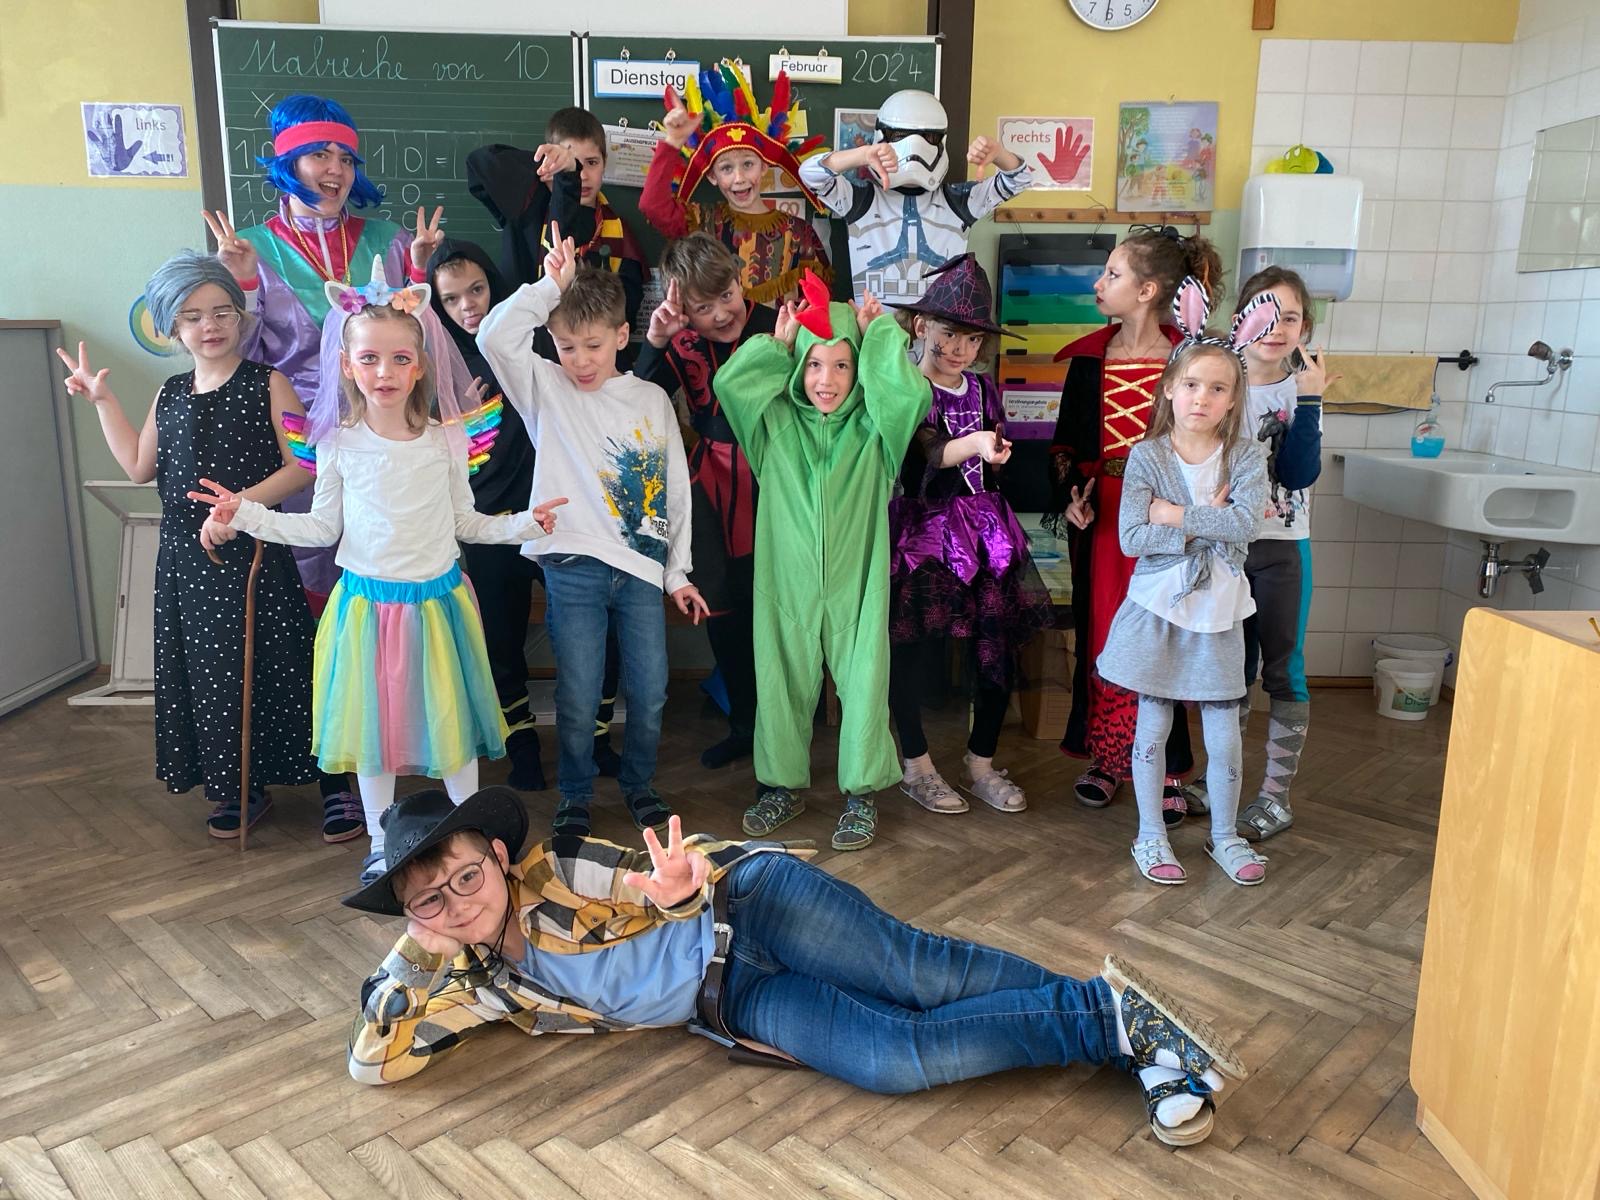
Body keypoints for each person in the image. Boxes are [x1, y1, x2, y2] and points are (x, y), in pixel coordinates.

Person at [343, 786, 1247, 1149]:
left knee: (920, 974)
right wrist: (416, 952)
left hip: (748, 903)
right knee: (893, 1058)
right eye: (432, 901)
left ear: (500, 855)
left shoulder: (559, 869)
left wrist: (673, 889)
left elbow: (651, 883)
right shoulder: (473, 980)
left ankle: (1108, 1024)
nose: (459, 902)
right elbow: (373, 1064)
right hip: (732, 995)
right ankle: (1132, 1031)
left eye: (467, 876)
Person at [189, 263, 566, 883]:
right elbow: (320, 529)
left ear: (420, 365)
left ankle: (467, 830)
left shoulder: (447, 441)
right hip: (365, 610)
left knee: (451, 725)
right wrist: (248, 513)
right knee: (372, 733)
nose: (384, 372)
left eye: (399, 359)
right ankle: (380, 838)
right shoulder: (336, 443)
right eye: (369, 359)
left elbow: (466, 523)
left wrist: (526, 523)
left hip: (438, 607)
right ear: (346, 365)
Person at [202, 92, 444, 826]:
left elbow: (416, 347)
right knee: (310, 603)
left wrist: (423, 273)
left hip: (384, 439)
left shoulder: (391, 241)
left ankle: (382, 758)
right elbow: (231, 356)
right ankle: (332, 766)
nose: (334, 169)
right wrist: (244, 286)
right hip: (296, 447)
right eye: (317, 154)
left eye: (344, 155)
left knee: (382, 599)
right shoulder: (249, 247)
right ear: (287, 163)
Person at [58, 251, 339, 839]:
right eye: (192, 316)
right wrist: (104, 403)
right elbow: (139, 466)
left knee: (285, 665)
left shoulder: (269, 383)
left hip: (255, 553)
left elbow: (304, 465)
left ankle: (335, 784)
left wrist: (240, 509)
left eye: (221, 312)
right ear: (172, 328)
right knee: (212, 675)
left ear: (240, 316)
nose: (209, 325)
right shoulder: (169, 393)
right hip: (188, 562)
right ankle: (238, 785)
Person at [477, 228, 704, 840]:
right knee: (578, 696)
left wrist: (677, 572)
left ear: (623, 337)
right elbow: (493, 335)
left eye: (594, 346)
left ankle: (639, 784)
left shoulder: (650, 399)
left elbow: (673, 489)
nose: (580, 360)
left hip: (641, 571)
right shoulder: (544, 388)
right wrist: (550, 287)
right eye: (567, 346)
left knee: (650, 692)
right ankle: (575, 793)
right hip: (572, 567)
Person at [712, 274, 931, 850]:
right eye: (813, 365)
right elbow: (730, 386)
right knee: (779, 680)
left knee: (864, 684)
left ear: (858, 370)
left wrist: (877, 335)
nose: (825, 380)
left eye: (841, 365)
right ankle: (781, 786)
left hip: (858, 584)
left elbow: (909, 396)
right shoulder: (772, 425)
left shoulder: (877, 431)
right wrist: (777, 346)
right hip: (785, 582)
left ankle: (862, 795)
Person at [1095, 278, 1278, 887]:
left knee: (1224, 732)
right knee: (1154, 722)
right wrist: (1209, 523)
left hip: (1219, 611)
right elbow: (1131, 538)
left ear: (1233, 398)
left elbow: (1245, 528)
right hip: (1159, 607)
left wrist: (1174, 516)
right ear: (1170, 387)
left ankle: (1224, 835)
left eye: (1218, 388)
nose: (1203, 397)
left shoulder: (1245, 457)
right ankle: (1150, 835)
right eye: (1193, 384)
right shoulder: (1147, 456)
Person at [1044, 228, 1222, 816]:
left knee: (1166, 631)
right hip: (1104, 522)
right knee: (1105, 631)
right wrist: (1073, 495)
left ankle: (1167, 766)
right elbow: (1065, 445)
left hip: (1167, 516)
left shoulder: (1188, 359)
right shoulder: (1088, 361)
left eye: (1112, 275)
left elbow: (1208, 438)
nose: (1099, 284)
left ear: (1147, 290)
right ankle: (1108, 754)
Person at [885, 254, 1054, 814]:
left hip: (987, 536)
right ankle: (916, 766)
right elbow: (930, 452)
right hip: (923, 537)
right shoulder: (905, 388)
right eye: (949, 333)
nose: (960, 348)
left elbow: (994, 462)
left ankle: (980, 763)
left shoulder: (982, 389)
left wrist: (996, 454)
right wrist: (977, 445)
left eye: (973, 338)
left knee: (995, 648)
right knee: (911, 652)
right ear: (921, 326)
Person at [1191, 267, 1336, 843]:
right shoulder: (1219, 383)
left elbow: (1298, 474)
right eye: (1265, 313)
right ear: (1240, 320)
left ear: (1304, 328)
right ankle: (1218, 781)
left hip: (1281, 550)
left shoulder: (1303, 389)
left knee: (1282, 671)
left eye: (1290, 317)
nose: (1276, 328)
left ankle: (1275, 798)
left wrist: (1311, 401)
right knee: (1229, 670)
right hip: (1224, 547)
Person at [632, 233, 777, 769]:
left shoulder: (776, 325)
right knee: (724, 611)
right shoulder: (683, 341)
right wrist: (657, 339)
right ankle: (744, 726)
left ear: (740, 281)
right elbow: (636, 395)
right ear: (683, 309)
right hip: (709, 487)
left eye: (727, 296)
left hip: (776, 479)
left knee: (775, 609)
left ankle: (782, 730)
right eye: (702, 307)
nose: (720, 314)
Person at [798, 90, 1033, 304]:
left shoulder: (958, 201)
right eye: (900, 135)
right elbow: (809, 174)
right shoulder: (861, 201)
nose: (914, 148)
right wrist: (863, 155)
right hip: (875, 332)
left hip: (937, 333)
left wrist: (998, 153)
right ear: (881, 137)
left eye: (928, 136)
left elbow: (1020, 179)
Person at [640, 60, 831, 306]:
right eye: (726, 168)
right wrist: (673, 141)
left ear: (764, 166)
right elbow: (652, 206)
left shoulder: (798, 233)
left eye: (748, 164)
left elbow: (818, 304)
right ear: (712, 176)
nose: (739, 178)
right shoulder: (698, 222)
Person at [466, 107, 648, 343]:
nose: (582, 175)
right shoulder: (526, 206)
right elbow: (477, 164)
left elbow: (627, 314)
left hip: (584, 354)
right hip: (523, 349)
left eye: (591, 163)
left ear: (604, 163)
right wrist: (557, 170)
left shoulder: (618, 232)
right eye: (574, 164)